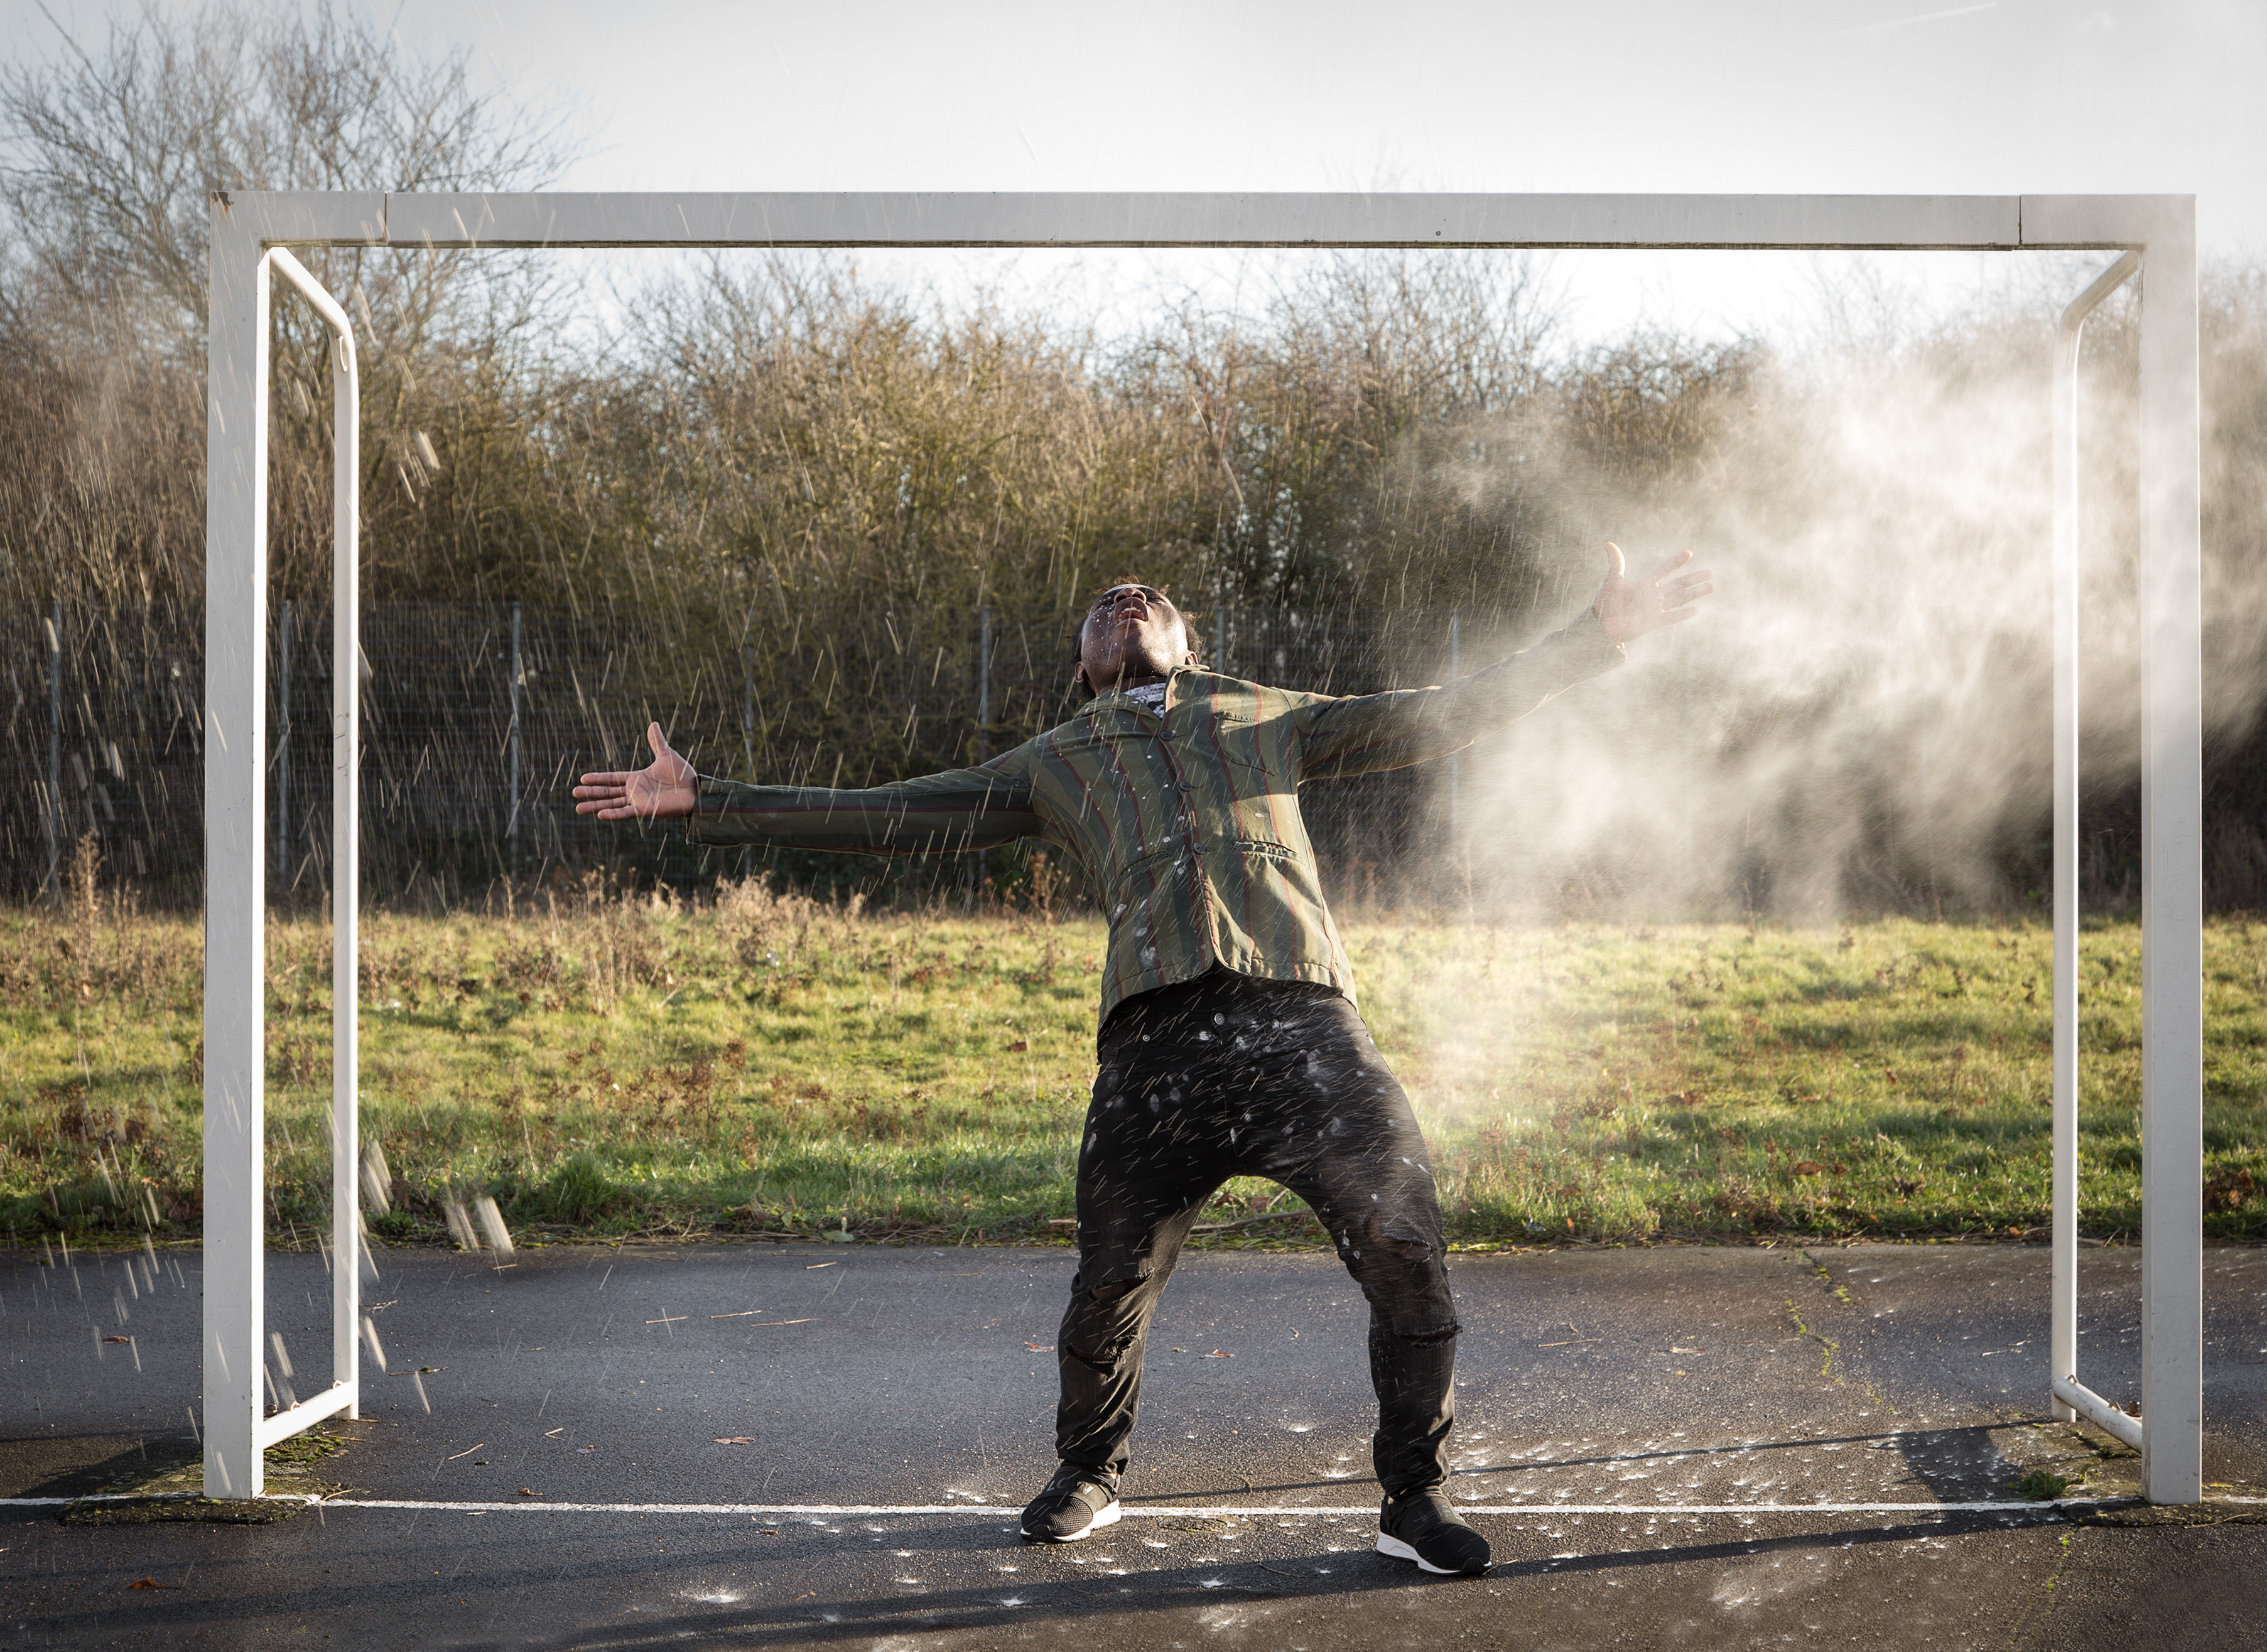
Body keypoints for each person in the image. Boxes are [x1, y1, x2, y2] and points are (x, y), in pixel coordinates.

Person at [571, 545, 1711, 1577]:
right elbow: (885, 815)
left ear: (1186, 642)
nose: (1128, 600)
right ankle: (1092, 1476)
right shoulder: (1056, 760)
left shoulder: (1264, 713)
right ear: (1083, 667)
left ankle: (1413, 1497)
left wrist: (1595, 636)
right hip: (1154, 1046)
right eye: (1104, 608)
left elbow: (1445, 712)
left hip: (1303, 1023)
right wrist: (705, 799)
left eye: (1150, 600)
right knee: (1111, 1279)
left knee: (1403, 1237)